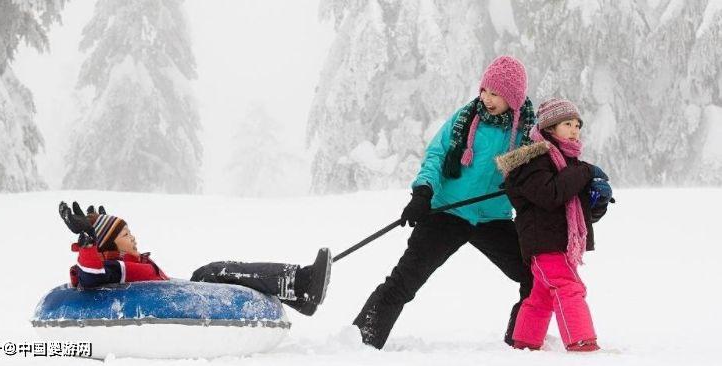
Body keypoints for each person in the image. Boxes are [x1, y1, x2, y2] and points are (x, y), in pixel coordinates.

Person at [352, 56, 537, 349]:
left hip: (493, 218)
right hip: (447, 211)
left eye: (496, 93)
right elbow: (436, 155)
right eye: (485, 90)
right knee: (404, 281)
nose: (487, 99)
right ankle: (361, 342)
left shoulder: (528, 133)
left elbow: (541, 174)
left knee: (536, 277)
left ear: (513, 97)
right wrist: (423, 192)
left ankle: (523, 342)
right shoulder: (466, 118)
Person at [58, 201, 332, 316]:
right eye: (126, 235)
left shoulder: (128, 261)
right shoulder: (115, 267)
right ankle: (302, 282)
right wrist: (89, 244)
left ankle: (298, 296)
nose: (134, 239)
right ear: (110, 243)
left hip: (176, 291)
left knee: (213, 272)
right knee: (213, 272)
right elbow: (90, 278)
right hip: (177, 299)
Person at [495, 98, 612, 351]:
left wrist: (598, 200)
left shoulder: (569, 163)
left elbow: (579, 214)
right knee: (569, 287)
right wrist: (586, 172)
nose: (574, 130)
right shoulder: (533, 160)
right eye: (567, 124)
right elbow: (550, 195)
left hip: (559, 242)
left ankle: (525, 342)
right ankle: (582, 342)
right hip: (543, 242)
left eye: (577, 125)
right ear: (549, 128)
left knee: (540, 296)